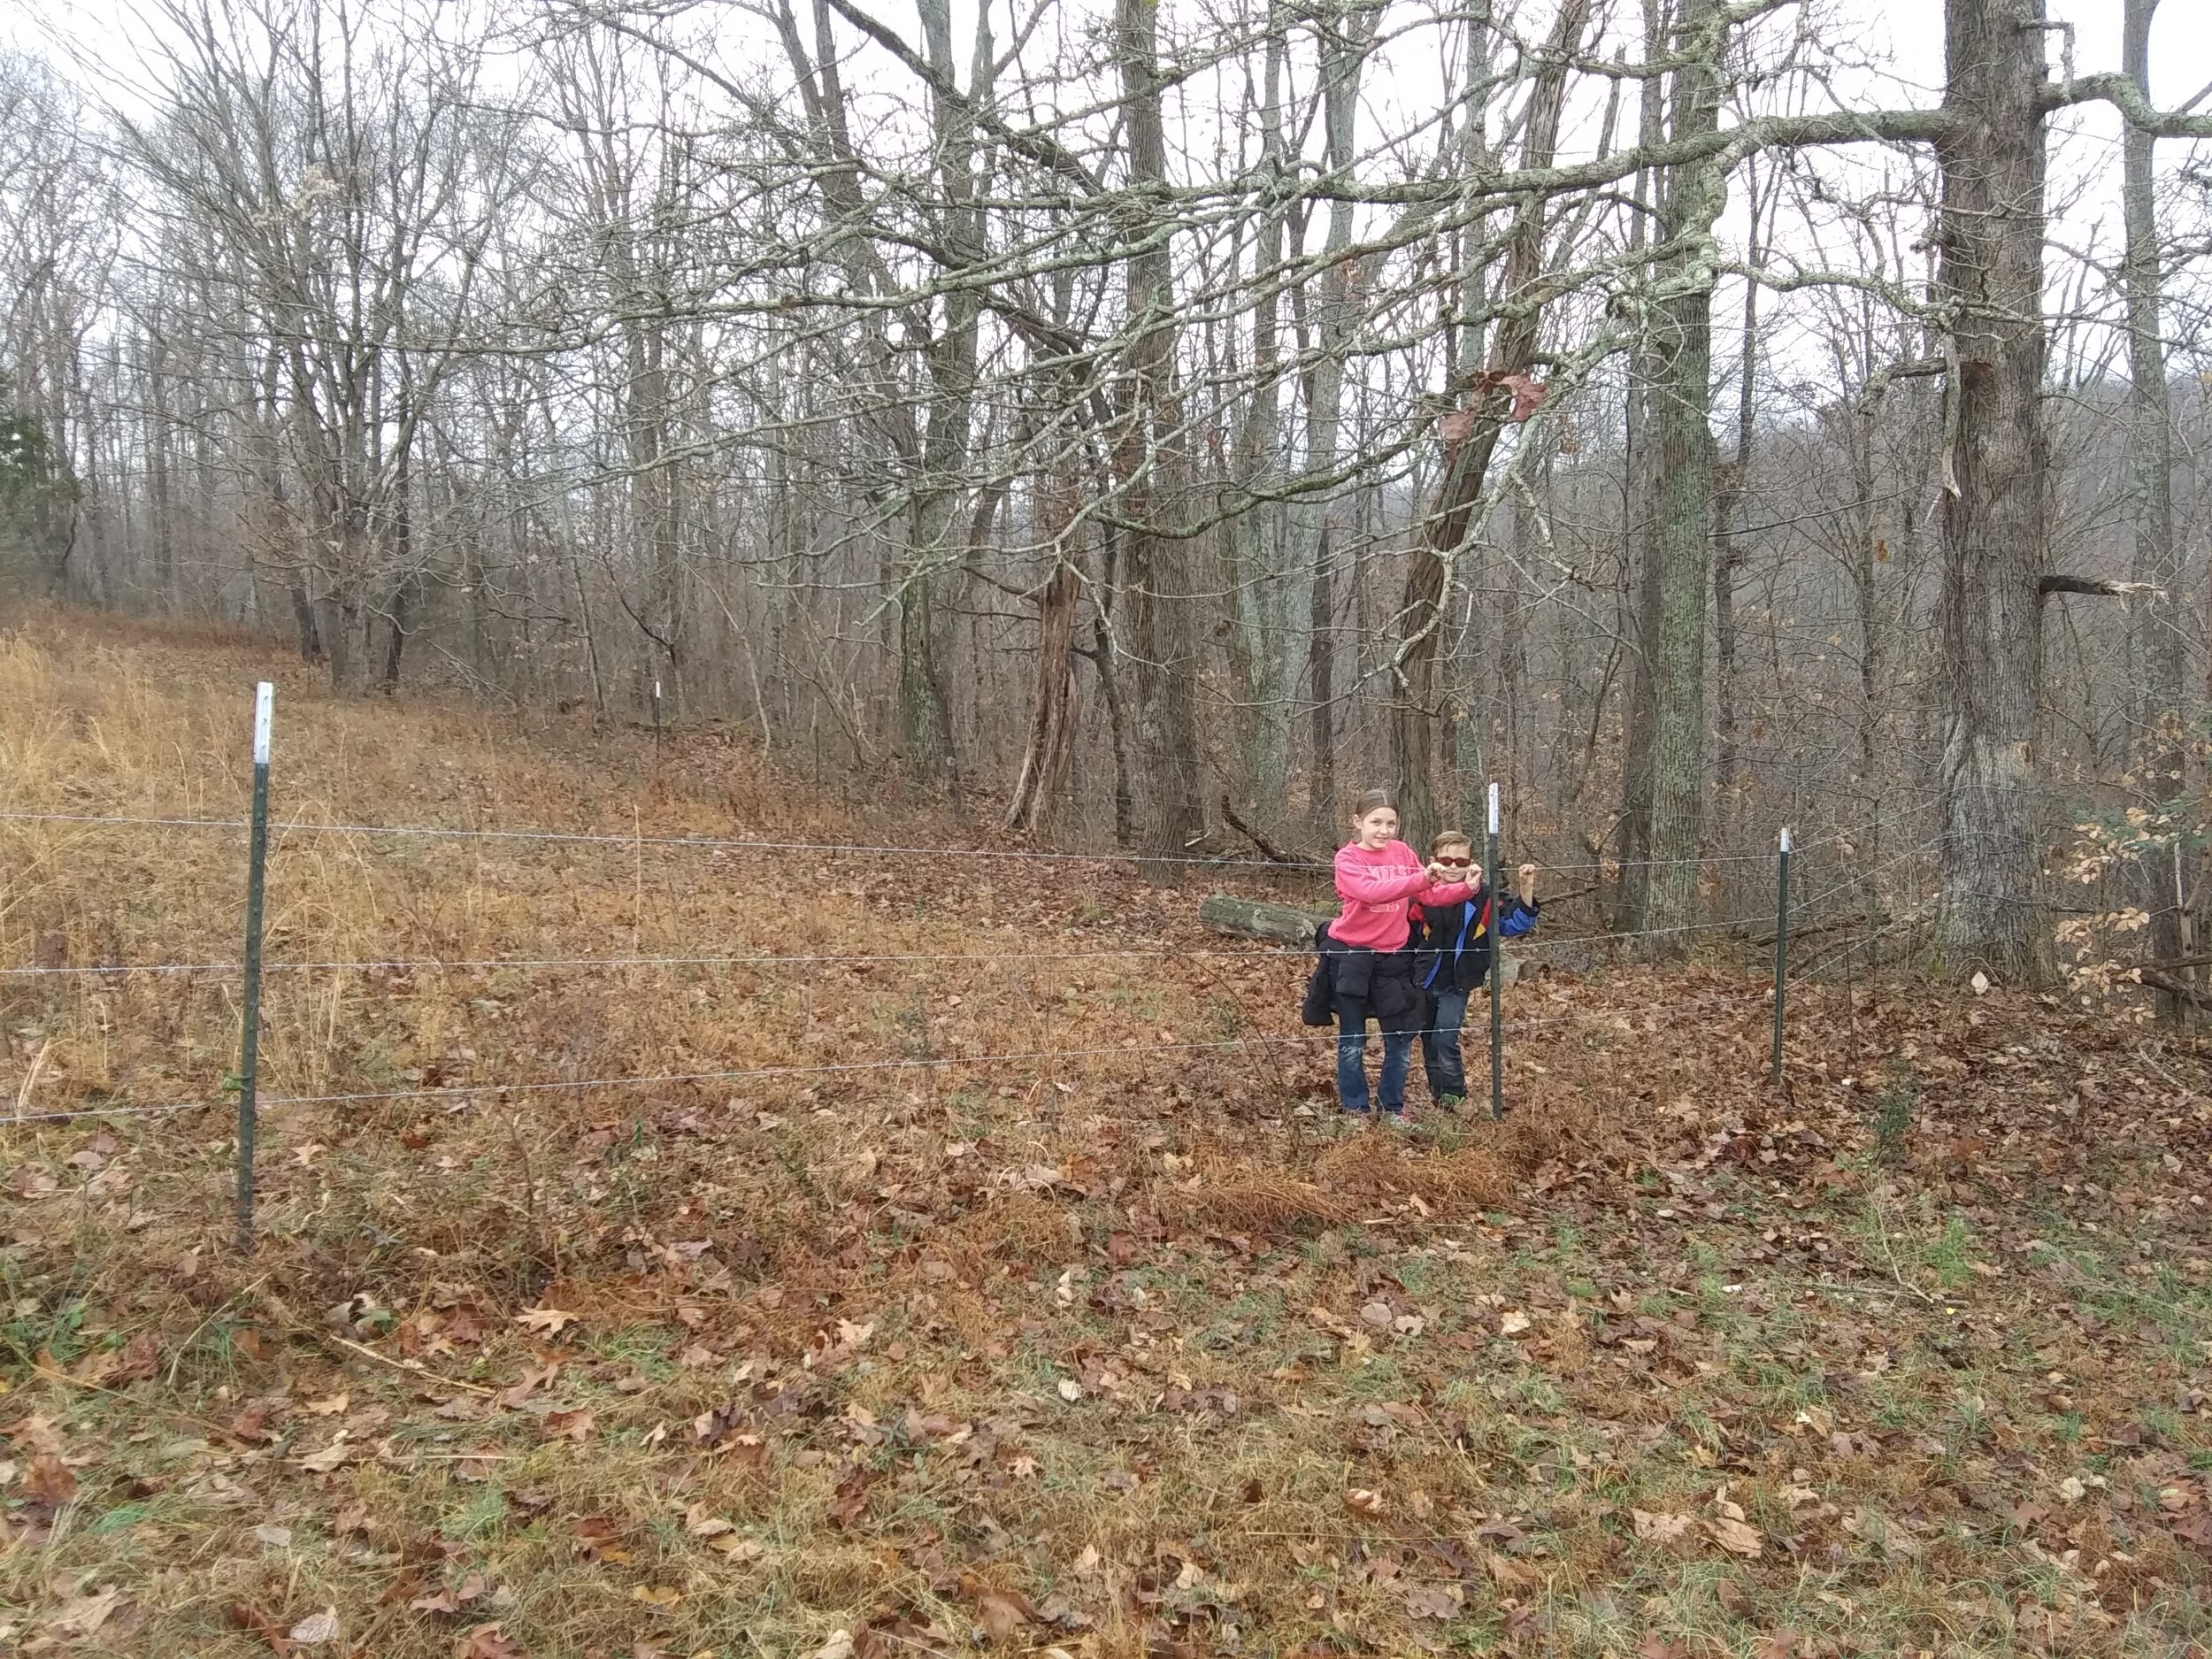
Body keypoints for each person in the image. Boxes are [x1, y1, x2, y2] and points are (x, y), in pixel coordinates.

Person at [1302, 789, 1476, 1125]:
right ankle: (1356, 1110)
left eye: (1391, 823)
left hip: (1394, 960)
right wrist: (1420, 878)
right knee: (1353, 1039)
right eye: (1376, 822)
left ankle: (1392, 1108)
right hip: (1352, 957)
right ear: (1358, 822)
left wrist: (1465, 889)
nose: (1384, 830)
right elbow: (1370, 892)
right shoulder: (1348, 859)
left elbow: (1430, 895)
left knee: (1400, 1040)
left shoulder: (1402, 853)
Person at [1412, 837, 1540, 1112]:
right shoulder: (1421, 894)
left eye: (1462, 861)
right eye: (1446, 861)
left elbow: (1515, 923)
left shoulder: (1483, 897)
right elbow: (1404, 931)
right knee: (1428, 1039)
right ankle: (1438, 1094)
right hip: (1424, 978)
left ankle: (1454, 1094)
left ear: (1471, 864)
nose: (1453, 867)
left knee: (1445, 1038)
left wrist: (1526, 888)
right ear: (1433, 859)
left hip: (1458, 983)